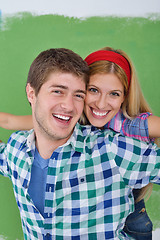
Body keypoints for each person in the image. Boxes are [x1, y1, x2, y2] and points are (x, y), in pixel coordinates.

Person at [0, 48, 160, 240]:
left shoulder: (115, 146)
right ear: (31, 93)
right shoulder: (16, 149)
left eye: (77, 95)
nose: (68, 106)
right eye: (58, 91)